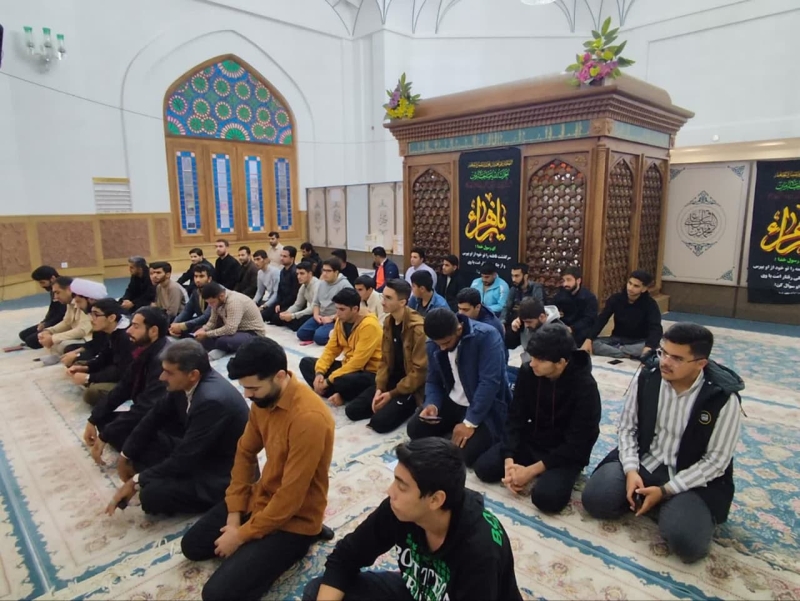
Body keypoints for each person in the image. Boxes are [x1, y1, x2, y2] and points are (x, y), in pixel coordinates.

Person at [181, 337, 335, 601]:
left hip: (295, 517)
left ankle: (303, 540)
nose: (247, 395)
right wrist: (234, 514)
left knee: (217, 595)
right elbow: (245, 452)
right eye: (245, 388)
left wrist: (241, 536)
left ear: (279, 376)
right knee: (192, 546)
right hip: (262, 497)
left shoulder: (309, 418)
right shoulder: (263, 401)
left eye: (253, 388)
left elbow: (290, 496)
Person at [582, 323, 744, 563]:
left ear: (700, 363)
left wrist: (667, 490)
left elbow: (716, 461)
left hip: (690, 478)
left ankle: (664, 503)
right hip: (645, 460)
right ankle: (651, 499)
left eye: (677, 358)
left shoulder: (722, 398)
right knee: (595, 500)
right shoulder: (648, 377)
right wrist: (630, 470)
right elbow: (627, 428)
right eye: (663, 352)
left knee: (687, 545)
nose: (665, 362)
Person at [303, 438, 522, 601]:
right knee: (318, 591)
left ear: (435, 500)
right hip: (420, 591)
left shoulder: (480, 551)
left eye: (402, 486)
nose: (390, 491)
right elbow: (345, 558)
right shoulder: (399, 509)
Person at [105, 339, 249, 517]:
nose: (161, 377)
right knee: (128, 435)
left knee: (151, 495)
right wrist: (125, 455)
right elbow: (153, 417)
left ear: (193, 374)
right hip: (198, 451)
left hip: (221, 471)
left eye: (168, 372)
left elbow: (185, 457)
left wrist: (136, 481)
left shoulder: (212, 401)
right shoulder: (183, 384)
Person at [474, 324, 601, 514]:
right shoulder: (529, 372)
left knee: (547, 499)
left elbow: (578, 442)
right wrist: (509, 460)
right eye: (532, 356)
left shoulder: (585, 387)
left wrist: (530, 472)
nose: (532, 363)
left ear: (561, 362)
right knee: (484, 468)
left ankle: (549, 472)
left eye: (540, 359)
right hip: (534, 439)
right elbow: (515, 417)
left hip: (566, 452)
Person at [408, 309, 509, 467]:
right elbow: (433, 380)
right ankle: (451, 433)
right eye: (438, 344)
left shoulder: (486, 336)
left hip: (484, 406)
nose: (442, 348)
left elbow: (489, 383)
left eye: (446, 343)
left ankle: (464, 432)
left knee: (462, 454)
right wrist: (432, 404)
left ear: (459, 329)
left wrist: (470, 423)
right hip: (453, 400)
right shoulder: (434, 343)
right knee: (415, 429)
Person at [83, 307, 169, 463]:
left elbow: (147, 407)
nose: (129, 331)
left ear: (153, 331)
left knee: (123, 437)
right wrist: (93, 419)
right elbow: (123, 387)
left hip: (165, 423)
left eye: (136, 326)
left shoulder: (164, 361)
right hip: (150, 414)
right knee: (104, 420)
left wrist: (105, 436)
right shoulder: (145, 351)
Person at [343, 279, 426, 433]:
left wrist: (391, 394)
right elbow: (385, 360)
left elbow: (419, 373)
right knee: (352, 411)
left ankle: (407, 405)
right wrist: (380, 388)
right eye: (383, 296)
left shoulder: (418, 329)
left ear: (402, 302)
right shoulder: (389, 321)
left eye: (388, 298)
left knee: (379, 423)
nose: (382, 302)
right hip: (391, 380)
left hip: (410, 387)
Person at [299, 288, 382, 407]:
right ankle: (339, 393)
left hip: (368, 371)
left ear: (355, 309)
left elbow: (357, 363)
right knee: (306, 363)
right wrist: (319, 373)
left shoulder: (369, 325)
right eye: (337, 308)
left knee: (342, 380)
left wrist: (328, 381)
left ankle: (340, 393)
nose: (337, 313)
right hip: (348, 366)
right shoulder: (341, 320)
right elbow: (331, 349)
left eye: (342, 309)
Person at [581, 270, 663, 359]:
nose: (630, 288)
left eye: (636, 286)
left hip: (639, 341)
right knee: (594, 344)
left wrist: (648, 347)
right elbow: (601, 319)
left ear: (644, 289)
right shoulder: (616, 299)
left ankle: (618, 351)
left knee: (651, 346)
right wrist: (589, 339)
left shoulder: (650, 304)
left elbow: (655, 328)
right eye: (630, 283)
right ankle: (627, 354)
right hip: (617, 339)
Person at [67, 298, 133, 407]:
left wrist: (89, 377)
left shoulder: (126, 336)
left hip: (133, 380)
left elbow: (122, 371)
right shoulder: (110, 330)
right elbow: (104, 355)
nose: (91, 319)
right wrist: (86, 367)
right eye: (91, 314)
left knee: (92, 393)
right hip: (117, 368)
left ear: (111, 317)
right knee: (79, 364)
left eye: (96, 315)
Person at [194, 283, 266, 360]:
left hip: (252, 333)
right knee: (197, 332)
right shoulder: (217, 301)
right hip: (235, 331)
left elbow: (230, 329)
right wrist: (203, 329)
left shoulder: (234, 301)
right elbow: (212, 321)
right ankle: (222, 347)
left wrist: (207, 334)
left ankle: (221, 347)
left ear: (221, 296)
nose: (210, 305)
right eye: (208, 303)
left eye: (212, 302)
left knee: (222, 341)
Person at [297, 258, 353, 346]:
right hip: (320, 317)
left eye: (328, 271)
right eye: (323, 270)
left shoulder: (345, 285)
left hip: (336, 319)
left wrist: (332, 318)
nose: (324, 274)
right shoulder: (321, 283)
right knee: (301, 334)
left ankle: (337, 334)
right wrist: (316, 315)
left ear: (336, 272)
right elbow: (316, 303)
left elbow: (348, 309)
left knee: (319, 338)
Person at [37, 276, 92, 365]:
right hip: (79, 337)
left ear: (69, 289)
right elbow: (67, 322)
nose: (56, 297)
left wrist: (53, 338)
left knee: (64, 345)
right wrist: (49, 331)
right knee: (54, 342)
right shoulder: (70, 302)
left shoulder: (83, 301)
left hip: (88, 338)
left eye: (58, 293)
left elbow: (82, 330)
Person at [18, 265, 66, 349]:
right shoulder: (54, 288)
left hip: (63, 323)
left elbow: (62, 315)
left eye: (42, 282)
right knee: (23, 335)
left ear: (52, 278)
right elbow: (53, 309)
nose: (41, 286)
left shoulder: (64, 288)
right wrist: (44, 322)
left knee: (31, 341)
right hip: (55, 321)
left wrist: (48, 325)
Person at [505, 297, 563, 366]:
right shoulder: (524, 323)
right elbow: (509, 345)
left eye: (529, 322)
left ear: (542, 317)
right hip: (527, 366)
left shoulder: (558, 330)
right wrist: (513, 331)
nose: (526, 325)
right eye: (524, 322)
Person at [552, 266, 597, 346]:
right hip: (563, 328)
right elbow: (553, 308)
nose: (565, 284)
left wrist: (572, 328)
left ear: (578, 281)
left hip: (580, 331)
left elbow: (589, 319)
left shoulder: (589, 298)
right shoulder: (561, 294)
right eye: (563, 281)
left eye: (569, 280)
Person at [170, 264, 213, 337]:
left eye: (201, 276)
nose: (198, 280)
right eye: (196, 276)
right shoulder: (196, 292)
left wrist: (181, 326)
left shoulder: (216, 292)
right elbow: (187, 311)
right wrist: (174, 325)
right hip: (202, 324)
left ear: (209, 279)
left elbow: (206, 316)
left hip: (215, 325)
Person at [277, 261, 319, 331]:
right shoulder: (303, 286)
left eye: (302, 273)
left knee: (299, 323)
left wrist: (293, 316)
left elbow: (312, 309)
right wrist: (287, 312)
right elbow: (298, 305)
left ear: (310, 274)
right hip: (308, 311)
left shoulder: (317, 286)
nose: (298, 277)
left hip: (317, 313)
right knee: (279, 317)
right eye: (297, 274)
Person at [264, 245, 300, 325]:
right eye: (281, 256)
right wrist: (278, 303)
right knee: (265, 314)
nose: (281, 258)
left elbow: (294, 294)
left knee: (276, 318)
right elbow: (280, 290)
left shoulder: (295, 273)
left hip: (291, 303)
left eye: (285, 256)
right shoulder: (282, 271)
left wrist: (281, 304)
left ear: (292, 258)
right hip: (282, 301)